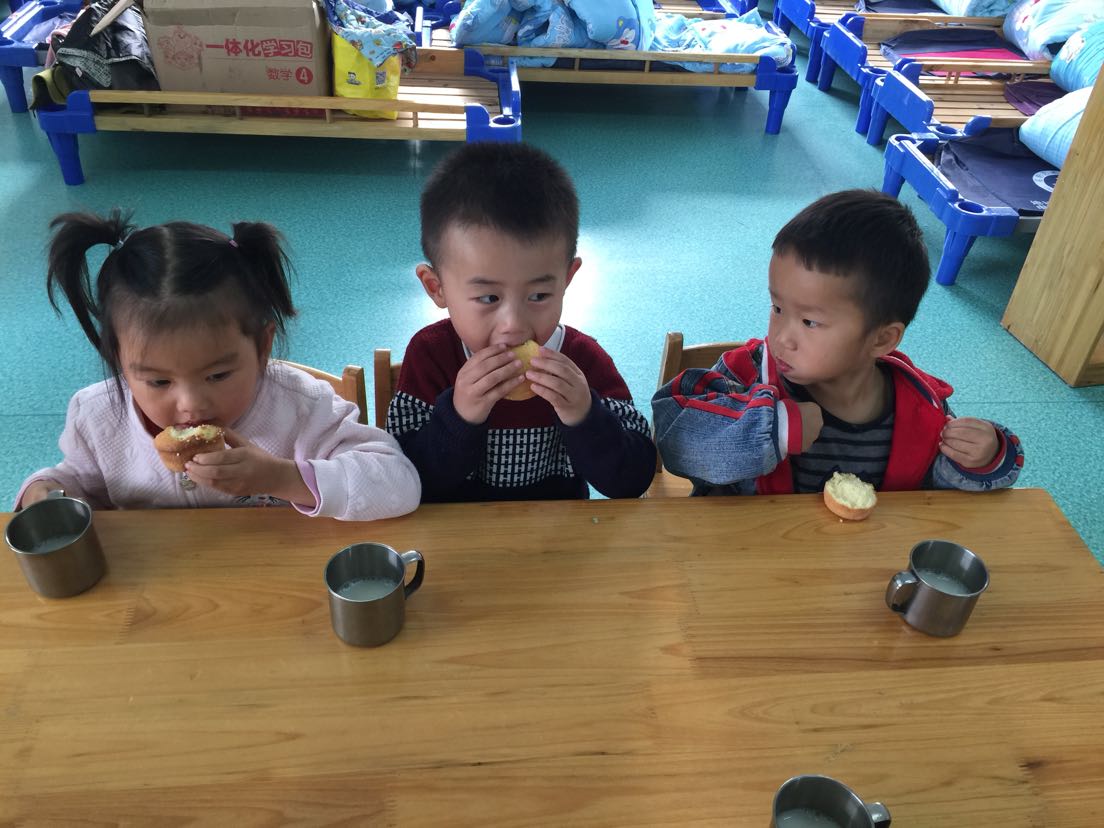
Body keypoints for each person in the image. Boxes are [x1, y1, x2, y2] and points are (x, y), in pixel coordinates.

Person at [16, 210, 421, 520]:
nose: (191, 404)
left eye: (217, 375)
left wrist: (283, 477)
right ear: (119, 360)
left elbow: (398, 483)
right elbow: (76, 482)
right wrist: (45, 491)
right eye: (158, 381)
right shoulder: (98, 418)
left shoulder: (301, 407)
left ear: (262, 346)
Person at [652, 190, 1024, 495]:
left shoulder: (920, 405)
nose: (781, 337)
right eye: (777, 308)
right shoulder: (746, 374)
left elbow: (936, 500)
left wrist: (985, 457)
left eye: (809, 322)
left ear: (882, 339)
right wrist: (772, 428)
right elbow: (675, 441)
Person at [387, 142, 656, 502]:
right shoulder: (430, 356)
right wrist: (458, 416)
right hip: (456, 534)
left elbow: (634, 480)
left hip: (559, 533)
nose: (513, 325)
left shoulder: (583, 361)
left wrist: (584, 415)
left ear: (567, 279)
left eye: (539, 296)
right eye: (488, 298)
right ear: (437, 288)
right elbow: (400, 481)